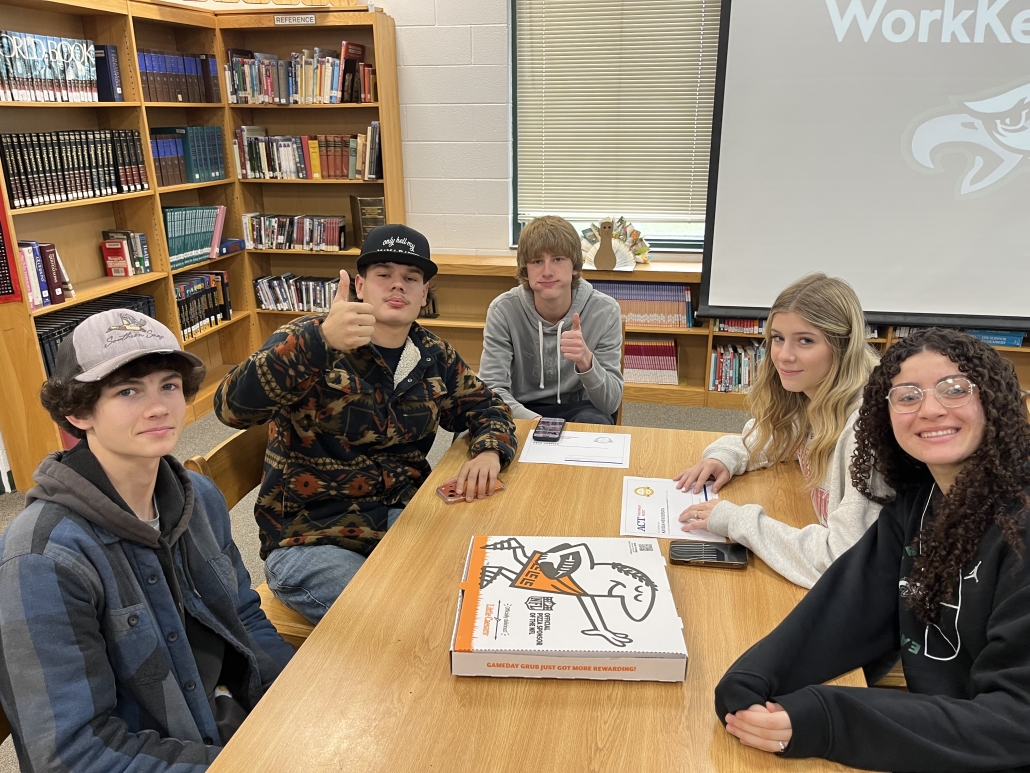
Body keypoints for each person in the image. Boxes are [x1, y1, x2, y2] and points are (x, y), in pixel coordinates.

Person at [714, 327, 1030, 771]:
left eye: (955, 390)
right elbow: (847, 607)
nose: (930, 409)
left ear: (994, 399)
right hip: (947, 741)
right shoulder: (918, 504)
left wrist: (828, 719)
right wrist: (751, 678)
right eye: (907, 396)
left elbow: (1017, 723)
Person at [0, 309, 294, 772]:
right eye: (128, 391)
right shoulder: (43, 559)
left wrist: (300, 699)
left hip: (225, 724)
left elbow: (242, 615)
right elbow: (71, 755)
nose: (158, 407)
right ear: (77, 411)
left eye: (169, 385)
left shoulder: (198, 497)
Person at [214, 224, 517, 624]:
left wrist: (490, 449)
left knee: (474, 587)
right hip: (310, 536)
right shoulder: (309, 337)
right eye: (383, 275)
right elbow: (231, 409)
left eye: (411, 279)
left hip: (399, 515)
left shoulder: (432, 354)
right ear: (360, 285)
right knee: (397, 618)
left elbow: (487, 406)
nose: (398, 286)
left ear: (423, 294)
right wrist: (319, 343)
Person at [675, 273, 884, 587]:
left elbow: (842, 561)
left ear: (843, 346)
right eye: (777, 338)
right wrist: (727, 456)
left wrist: (735, 520)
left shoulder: (865, 431)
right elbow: (776, 433)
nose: (784, 356)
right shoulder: (818, 390)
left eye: (805, 340)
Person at [478, 215, 624, 425]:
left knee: (595, 425)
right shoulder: (503, 310)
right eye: (537, 261)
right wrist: (538, 423)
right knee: (472, 428)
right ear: (525, 270)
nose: (547, 272)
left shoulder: (605, 311)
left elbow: (610, 404)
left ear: (574, 266)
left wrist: (586, 360)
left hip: (582, 409)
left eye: (557, 259)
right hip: (521, 408)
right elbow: (492, 389)